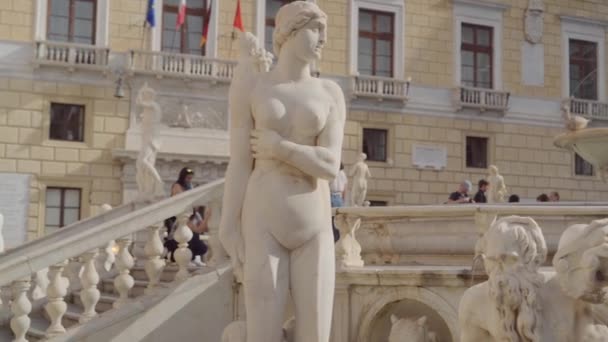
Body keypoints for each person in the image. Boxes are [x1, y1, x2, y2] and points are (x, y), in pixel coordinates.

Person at [219, 2, 345, 341]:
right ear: (289, 32)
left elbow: (330, 165)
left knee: (316, 334)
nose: (323, 40)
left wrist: (280, 149)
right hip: (262, 220)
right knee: (262, 332)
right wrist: (228, 226)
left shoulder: (330, 93)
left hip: (314, 224)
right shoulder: (253, 87)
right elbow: (240, 161)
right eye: (316, 30)